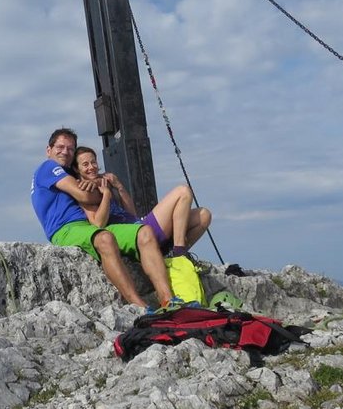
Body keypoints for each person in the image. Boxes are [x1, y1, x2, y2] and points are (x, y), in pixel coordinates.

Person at [30, 127, 177, 309]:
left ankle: (169, 301)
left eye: (70, 148)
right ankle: (140, 307)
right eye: (60, 147)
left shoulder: (69, 175)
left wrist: (97, 184)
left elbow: (92, 194)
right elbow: (84, 196)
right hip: (66, 229)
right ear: (49, 150)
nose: (65, 152)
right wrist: (103, 190)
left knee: (145, 232)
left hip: (89, 228)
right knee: (105, 238)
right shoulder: (48, 167)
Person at [73, 146, 212, 259]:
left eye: (93, 162)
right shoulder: (85, 192)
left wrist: (119, 187)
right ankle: (180, 253)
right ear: (76, 169)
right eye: (85, 164)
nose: (91, 167)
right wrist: (106, 195)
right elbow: (98, 224)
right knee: (183, 191)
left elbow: (132, 213)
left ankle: (171, 251)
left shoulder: (104, 182)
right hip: (137, 235)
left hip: (138, 224)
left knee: (204, 215)